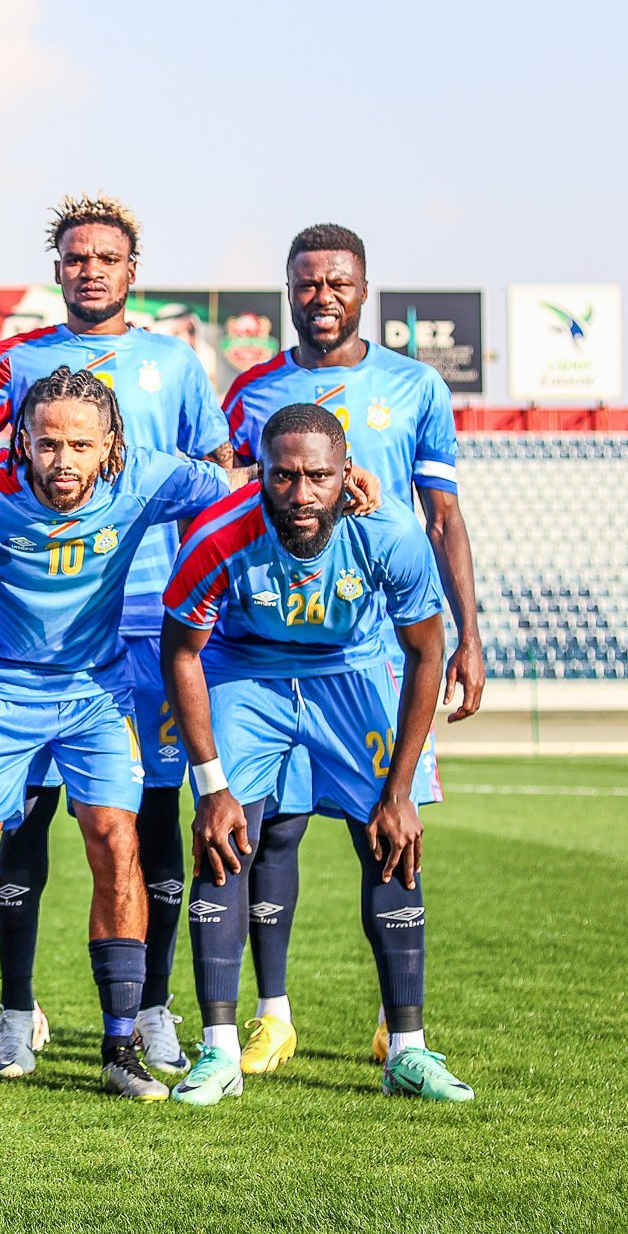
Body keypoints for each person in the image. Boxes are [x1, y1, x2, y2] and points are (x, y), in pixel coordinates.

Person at [0, 193, 232, 1079]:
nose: (92, 269)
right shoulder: (8, 393)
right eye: (76, 256)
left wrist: (344, 485)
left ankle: (137, 1028)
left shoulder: (167, 390)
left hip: (127, 654)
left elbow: (236, 482)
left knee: (134, 835)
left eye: (108, 256)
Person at [219, 224, 482, 1074]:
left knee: (389, 833)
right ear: (286, 290)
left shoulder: (414, 386)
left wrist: (469, 635)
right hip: (267, 646)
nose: (321, 295)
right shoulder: (253, 390)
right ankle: (272, 1016)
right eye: (306, 282)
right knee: (275, 833)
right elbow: (228, 499)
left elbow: (440, 516)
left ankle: (397, 1027)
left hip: (369, 651)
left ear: (363, 289)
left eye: (338, 281)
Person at [162, 403, 473, 1104]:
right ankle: (217, 1055)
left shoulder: (389, 533)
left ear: (347, 475)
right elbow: (180, 651)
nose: (301, 495)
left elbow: (426, 651)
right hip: (249, 673)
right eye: (284, 477)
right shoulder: (219, 536)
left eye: (318, 478)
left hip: (352, 669)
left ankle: (408, 1051)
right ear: (262, 474)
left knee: (392, 839)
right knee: (224, 839)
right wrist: (212, 786)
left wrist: (399, 793)